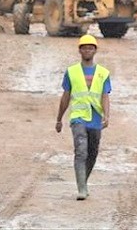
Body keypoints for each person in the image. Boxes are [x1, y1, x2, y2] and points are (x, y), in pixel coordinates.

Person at [55, 35, 111, 200]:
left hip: (95, 119)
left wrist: (107, 116)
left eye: (90, 48)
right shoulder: (72, 72)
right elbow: (65, 96)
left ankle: (83, 182)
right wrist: (59, 119)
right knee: (81, 151)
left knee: (92, 152)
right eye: (84, 48)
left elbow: (105, 96)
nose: (87, 50)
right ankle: (81, 188)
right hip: (78, 117)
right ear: (80, 50)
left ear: (95, 51)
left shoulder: (103, 73)